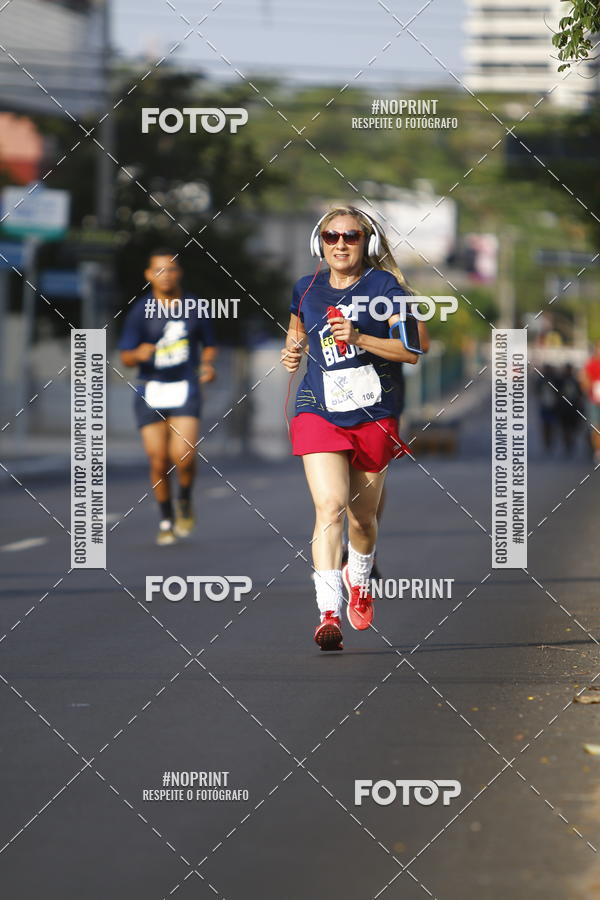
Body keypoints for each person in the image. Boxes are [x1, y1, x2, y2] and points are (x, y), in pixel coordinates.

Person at [280, 206, 420, 651]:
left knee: (362, 519)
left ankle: (359, 579)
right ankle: (327, 613)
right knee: (330, 507)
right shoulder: (307, 288)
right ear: (319, 242)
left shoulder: (385, 289)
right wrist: (291, 352)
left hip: (372, 413)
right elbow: (296, 333)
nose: (340, 244)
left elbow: (411, 351)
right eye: (331, 236)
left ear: (367, 243)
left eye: (351, 237)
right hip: (317, 407)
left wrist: (359, 337)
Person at [118, 249, 217, 544]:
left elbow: (209, 344)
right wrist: (137, 354)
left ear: (179, 273)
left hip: (185, 386)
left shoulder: (194, 306)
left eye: (171, 270)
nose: (166, 275)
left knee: (183, 456)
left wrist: (207, 365)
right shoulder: (140, 310)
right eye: (159, 270)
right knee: (158, 459)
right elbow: (126, 355)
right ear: (149, 275)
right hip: (151, 387)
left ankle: (184, 498)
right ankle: (165, 519)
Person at [555, 362, 584, 456]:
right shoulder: (560, 381)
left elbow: (580, 395)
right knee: (565, 429)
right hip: (564, 409)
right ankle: (567, 444)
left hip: (573, 409)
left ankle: (570, 442)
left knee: (572, 428)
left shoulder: (575, 381)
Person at [580, 341, 600, 463]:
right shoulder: (591, 363)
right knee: (595, 426)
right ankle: (597, 450)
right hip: (594, 400)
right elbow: (584, 380)